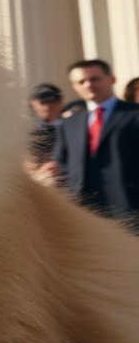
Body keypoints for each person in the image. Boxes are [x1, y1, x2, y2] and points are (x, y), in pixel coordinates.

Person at [49, 59, 139, 225]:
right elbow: (62, 164)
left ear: (111, 79)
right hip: (84, 214)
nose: (88, 85)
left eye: (94, 79)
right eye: (81, 82)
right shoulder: (69, 123)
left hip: (130, 209)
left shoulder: (134, 114)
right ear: (73, 85)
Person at [28, 83, 64, 166]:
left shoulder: (72, 127)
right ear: (33, 104)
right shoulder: (30, 132)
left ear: (60, 102)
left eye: (52, 100)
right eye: (42, 102)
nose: (48, 106)